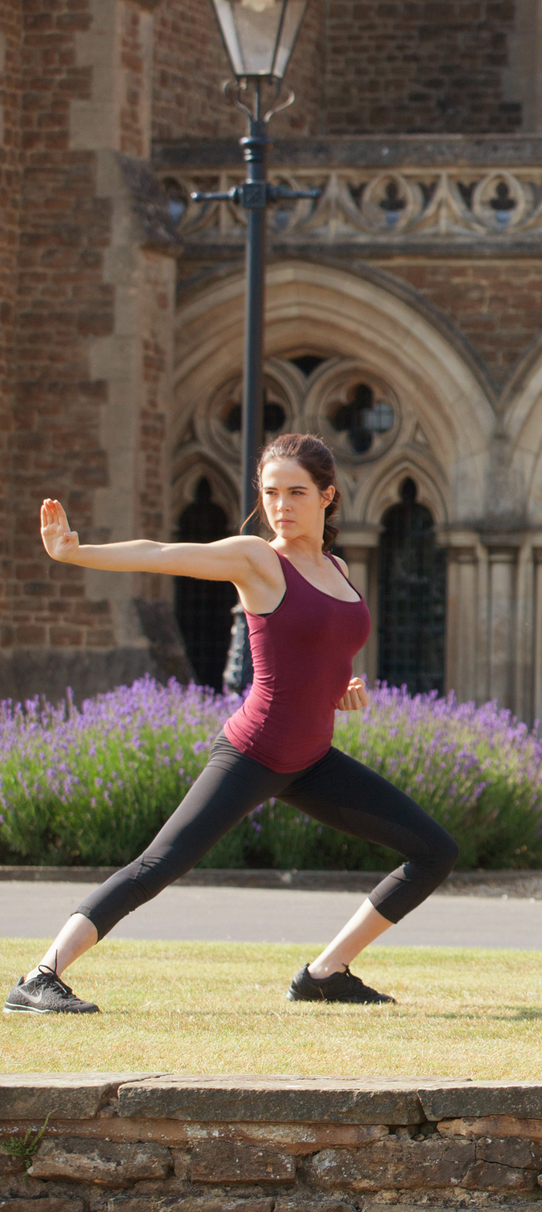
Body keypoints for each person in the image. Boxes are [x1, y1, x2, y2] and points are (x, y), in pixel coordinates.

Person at [4, 434, 459, 1015]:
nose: (281, 505)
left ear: (328, 496)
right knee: (158, 865)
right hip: (253, 752)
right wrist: (76, 552)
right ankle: (40, 977)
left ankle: (325, 974)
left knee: (434, 851)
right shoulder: (257, 559)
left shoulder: (337, 569)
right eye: (270, 493)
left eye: (296, 492)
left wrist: (340, 689)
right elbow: (162, 552)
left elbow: (324, 648)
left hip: (311, 760)